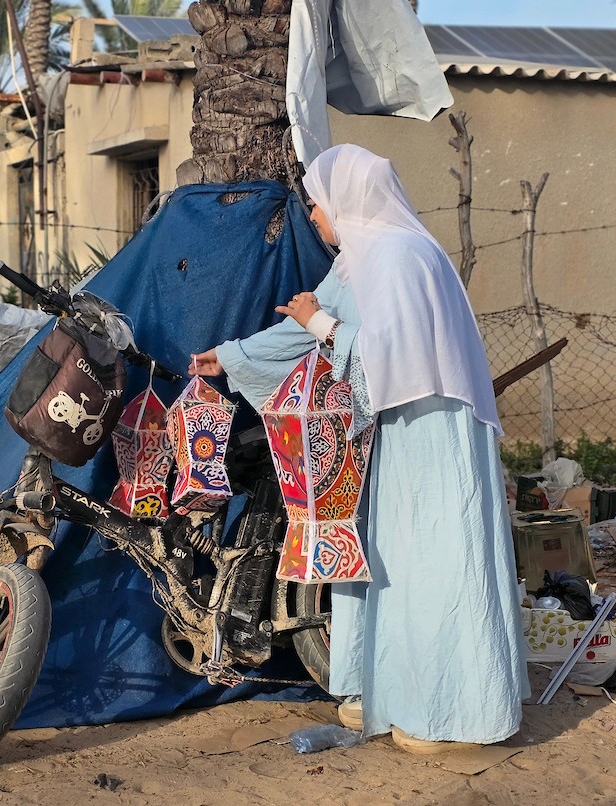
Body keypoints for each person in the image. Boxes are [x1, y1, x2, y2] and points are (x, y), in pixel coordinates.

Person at [189, 144, 528, 754]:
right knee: (388, 559)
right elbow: (303, 331)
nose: (314, 217)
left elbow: (381, 354)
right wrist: (232, 356)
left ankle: (445, 714)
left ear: (346, 201)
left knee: (429, 560)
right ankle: (390, 693)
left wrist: (319, 324)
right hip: (395, 434)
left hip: (430, 431)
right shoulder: (359, 260)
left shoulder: (399, 256)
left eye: (317, 204)